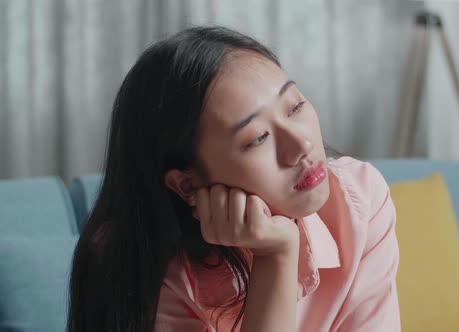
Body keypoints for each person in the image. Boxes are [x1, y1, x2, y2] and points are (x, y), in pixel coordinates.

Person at [67, 26, 400, 332]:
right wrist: (276, 255)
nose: (302, 146)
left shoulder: (360, 199)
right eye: (258, 138)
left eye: (294, 107)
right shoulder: (148, 265)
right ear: (188, 186)